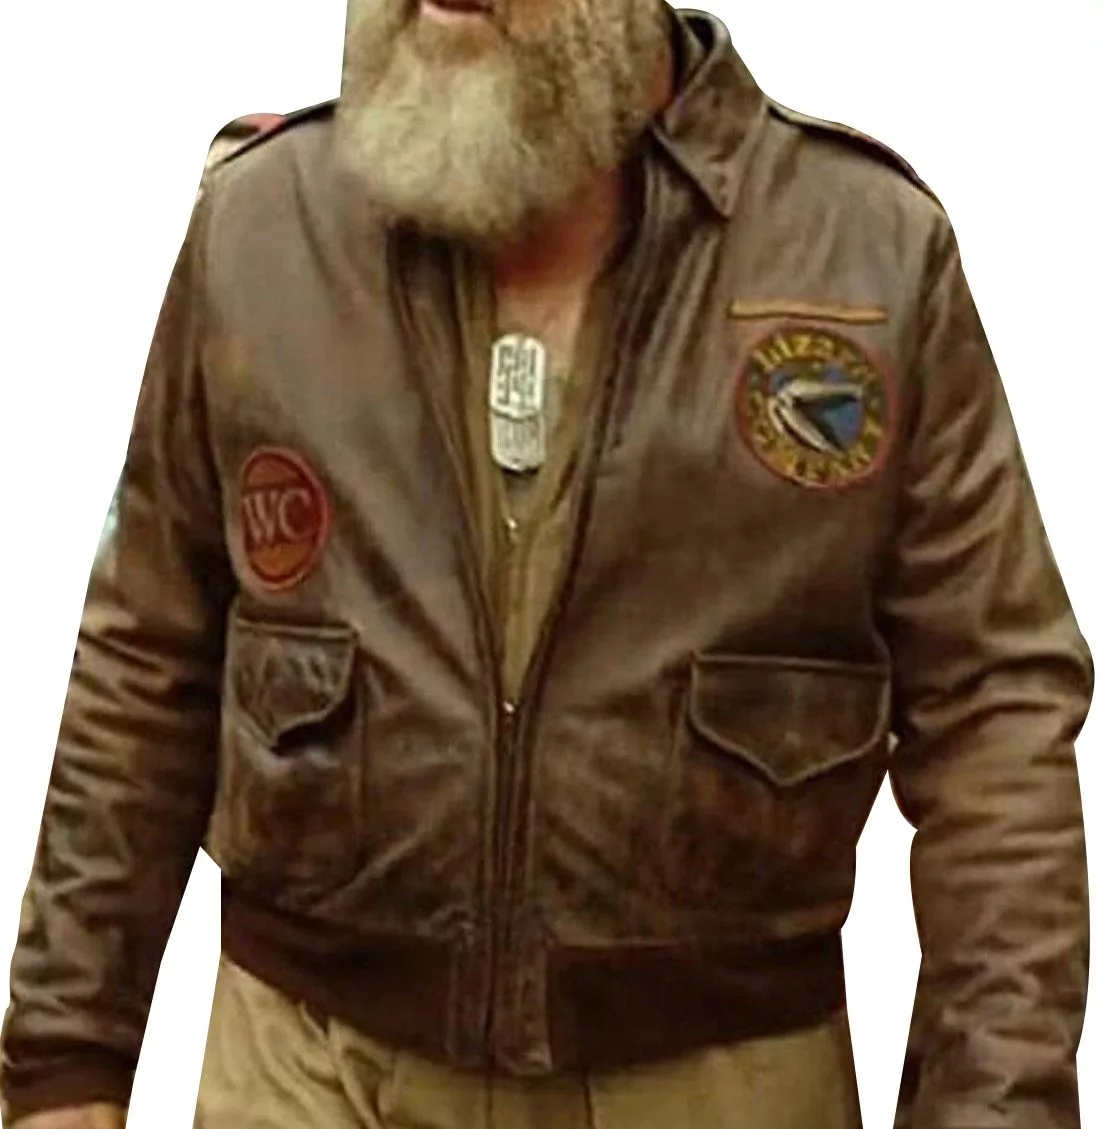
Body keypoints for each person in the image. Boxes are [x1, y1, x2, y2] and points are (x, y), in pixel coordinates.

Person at [1, 2, 1093, 1127]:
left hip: (719, 1078)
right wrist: (63, 1063)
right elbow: (146, 656)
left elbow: (992, 711)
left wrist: (995, 1103)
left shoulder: (862, 252)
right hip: (307, 1069)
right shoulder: (264, 229)